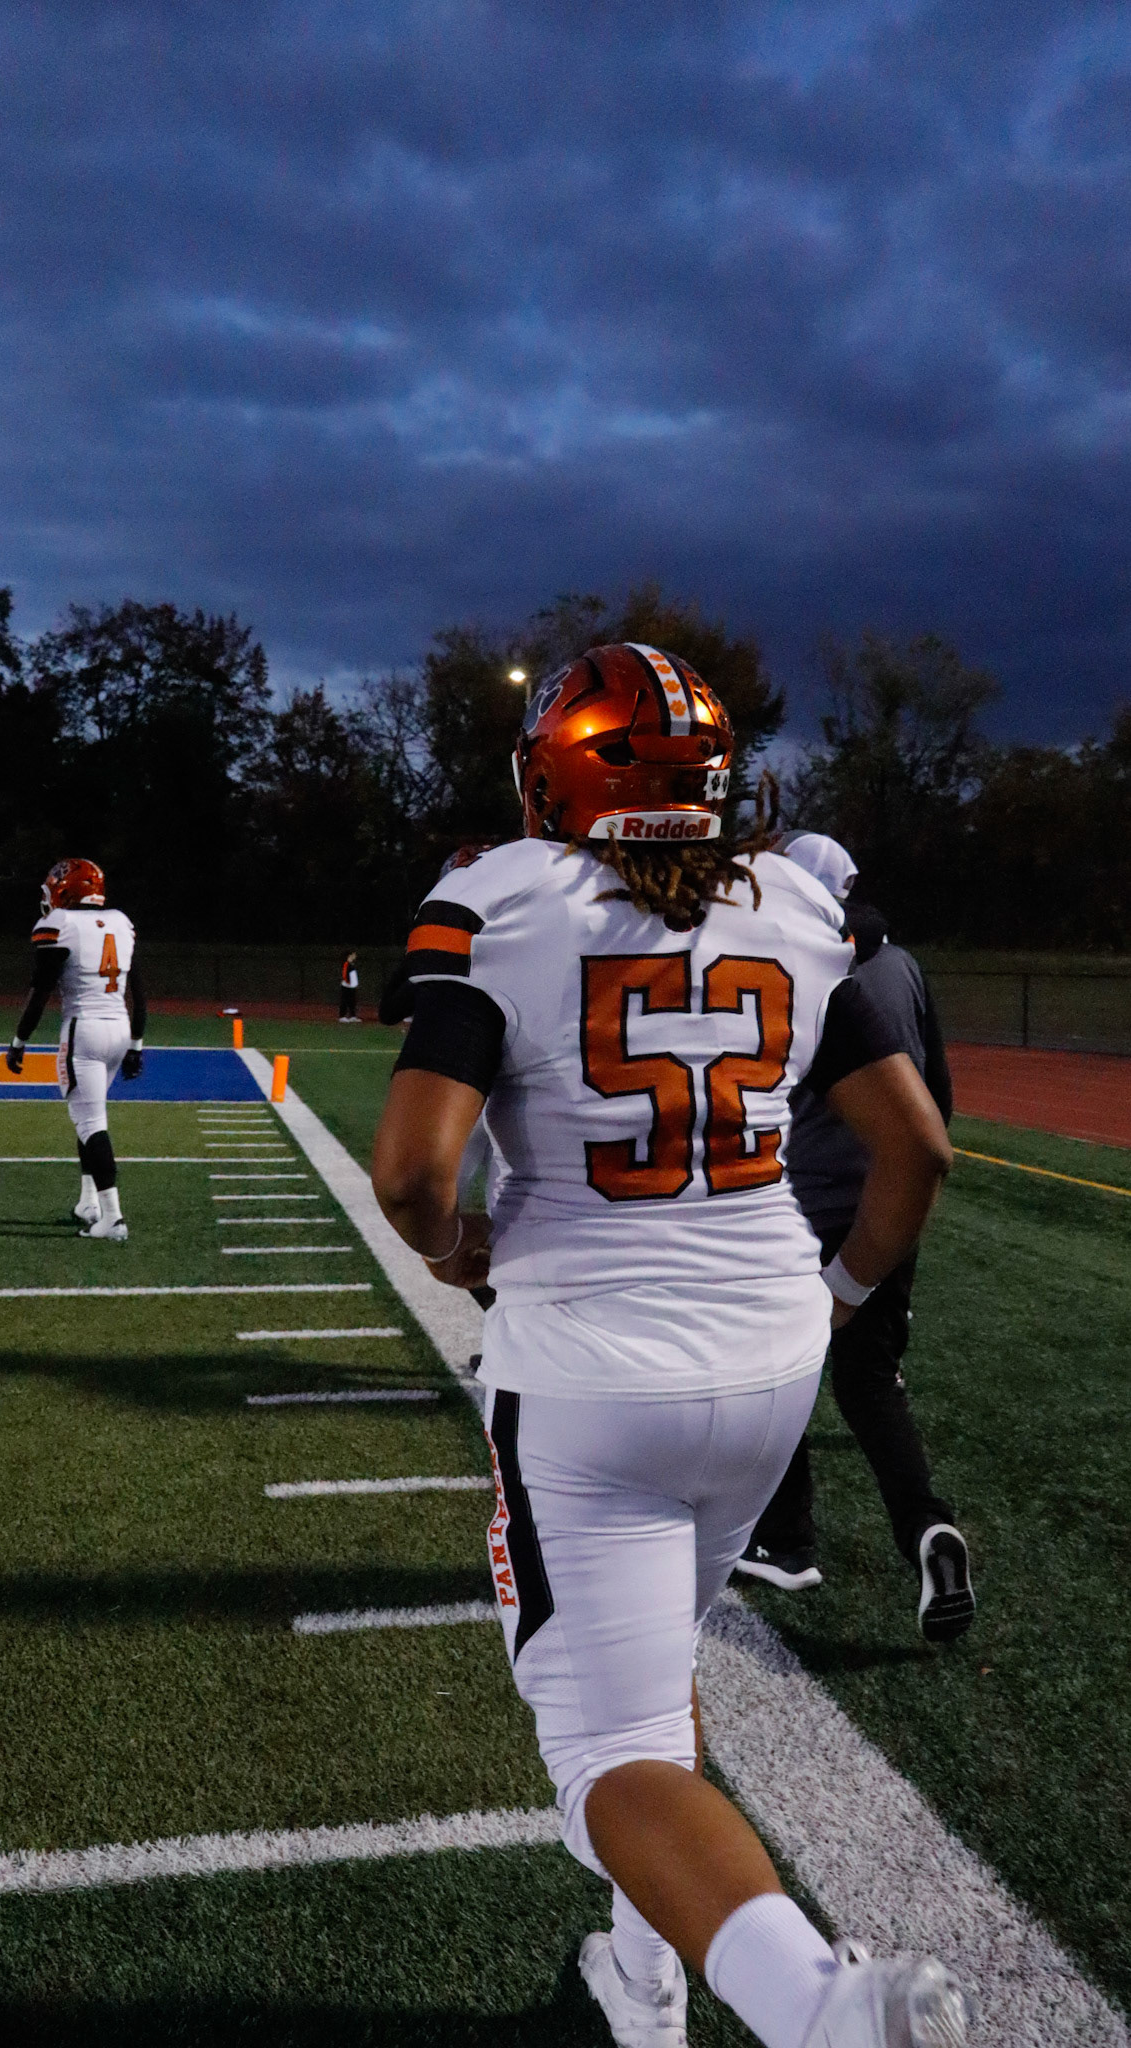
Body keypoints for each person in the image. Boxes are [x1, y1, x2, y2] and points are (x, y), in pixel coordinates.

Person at [372, 643, 968, 2048]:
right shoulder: (797, 902)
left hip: (591, 1374)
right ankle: (645, 1986)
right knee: (657, 1686)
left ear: (551, 780)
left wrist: (457, 1253)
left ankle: (817, 2006)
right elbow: (918, 1149)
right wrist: (834, 1298)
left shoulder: (503, 895)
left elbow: (412, 1172)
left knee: (604, 1754)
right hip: (770, 1361)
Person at [737, 835, 975, 1645]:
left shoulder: (788, 961)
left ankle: (785, 1540)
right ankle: (925, 1526)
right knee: (870, 1380)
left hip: (804, 1198)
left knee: (776, 1369)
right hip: (891, 1197)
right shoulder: (901, 965)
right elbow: (933, 1095)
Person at [6, 858, 145, 1242]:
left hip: (84, 1031)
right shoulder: (121, 922)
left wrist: (19, 1040)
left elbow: (40, 990)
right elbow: (138, 992)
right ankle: (89, 1203)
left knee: (91, 1123)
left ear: (67, 890)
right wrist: (136, 1044)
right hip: (119, 1029)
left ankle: (112, 1218)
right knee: (89, 1116)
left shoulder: (60, 924)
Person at [338, 949, 360, 1021]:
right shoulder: (346, 964)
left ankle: (353, 1016)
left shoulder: (352, 964)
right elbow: (345, 975)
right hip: (346, 986)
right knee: (344, 1001)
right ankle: (342, 1017)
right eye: (354, 954)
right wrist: (349, 983)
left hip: (352, 987)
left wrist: (354, 984)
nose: (355, 956)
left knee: (352, 1002)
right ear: (350, 955)